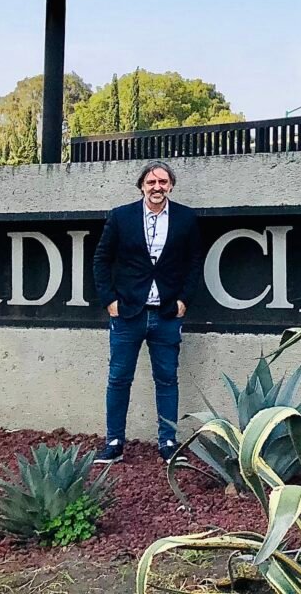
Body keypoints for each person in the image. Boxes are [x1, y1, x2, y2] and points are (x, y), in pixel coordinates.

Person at [91, 161, 202, 464]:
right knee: (118, 378)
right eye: (151, 182)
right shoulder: (121, 217)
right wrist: (109, 301)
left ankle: (168, 442)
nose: (157, 187)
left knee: (167, 379)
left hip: (166, 314)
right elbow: (101, 260)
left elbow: (194, 263)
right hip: (128, 313)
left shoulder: (185, 218)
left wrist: (184, 301)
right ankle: (114, 442)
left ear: (171, 186)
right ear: (142, 185)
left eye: (163, 182)